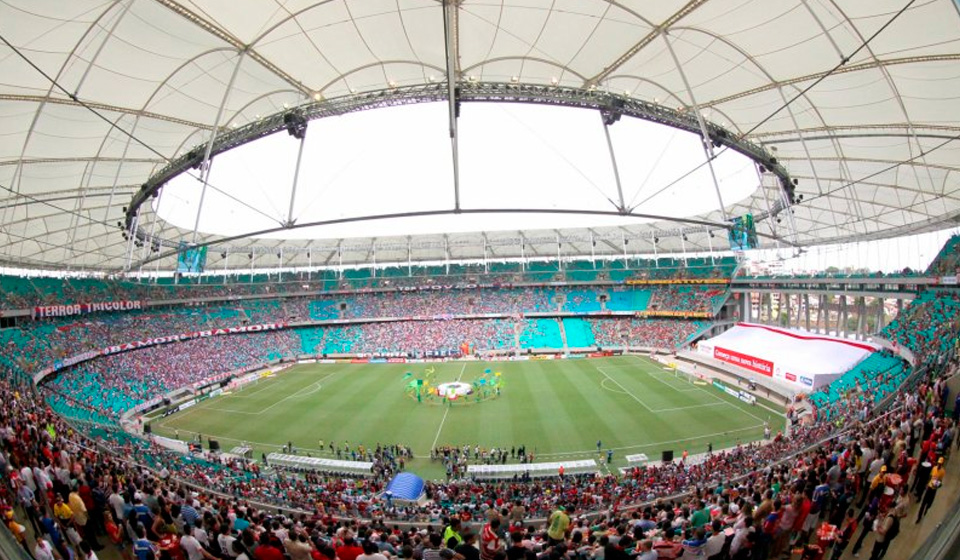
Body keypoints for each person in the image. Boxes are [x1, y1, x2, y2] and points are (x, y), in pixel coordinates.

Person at [916, 457, 946, 522]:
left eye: (940, 464)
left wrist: (938, 484)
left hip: (934, 489)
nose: (939, 465)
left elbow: (940, 480)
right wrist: (927, 483)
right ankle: (919, 517)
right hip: (929, 487)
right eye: (938, 463)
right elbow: (930, 476)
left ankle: (927, 509)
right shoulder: (934, 468)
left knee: (929, 503)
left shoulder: (942, 471)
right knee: (923, 503)